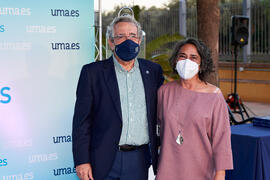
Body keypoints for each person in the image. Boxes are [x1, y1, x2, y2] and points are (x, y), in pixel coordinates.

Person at [72, 13, 164, 180]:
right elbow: (81, 122)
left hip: (139, 159)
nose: (127, 40)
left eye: (132, 36)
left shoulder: (153, 72)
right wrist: (82, 161)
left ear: (139, 40)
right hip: (103, 158)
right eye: (120, 36)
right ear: (111, 42)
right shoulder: (92, 73)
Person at [156, 38, 233, 180]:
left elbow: (222, 140)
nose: (187, 61)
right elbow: (157, 128)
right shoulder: (164, 92)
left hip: (201, 172)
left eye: (193, 57)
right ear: (175, 60)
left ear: (202, 64)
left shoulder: (214, 96)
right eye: (182, 56)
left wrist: (220, 174)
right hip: (167, 171)